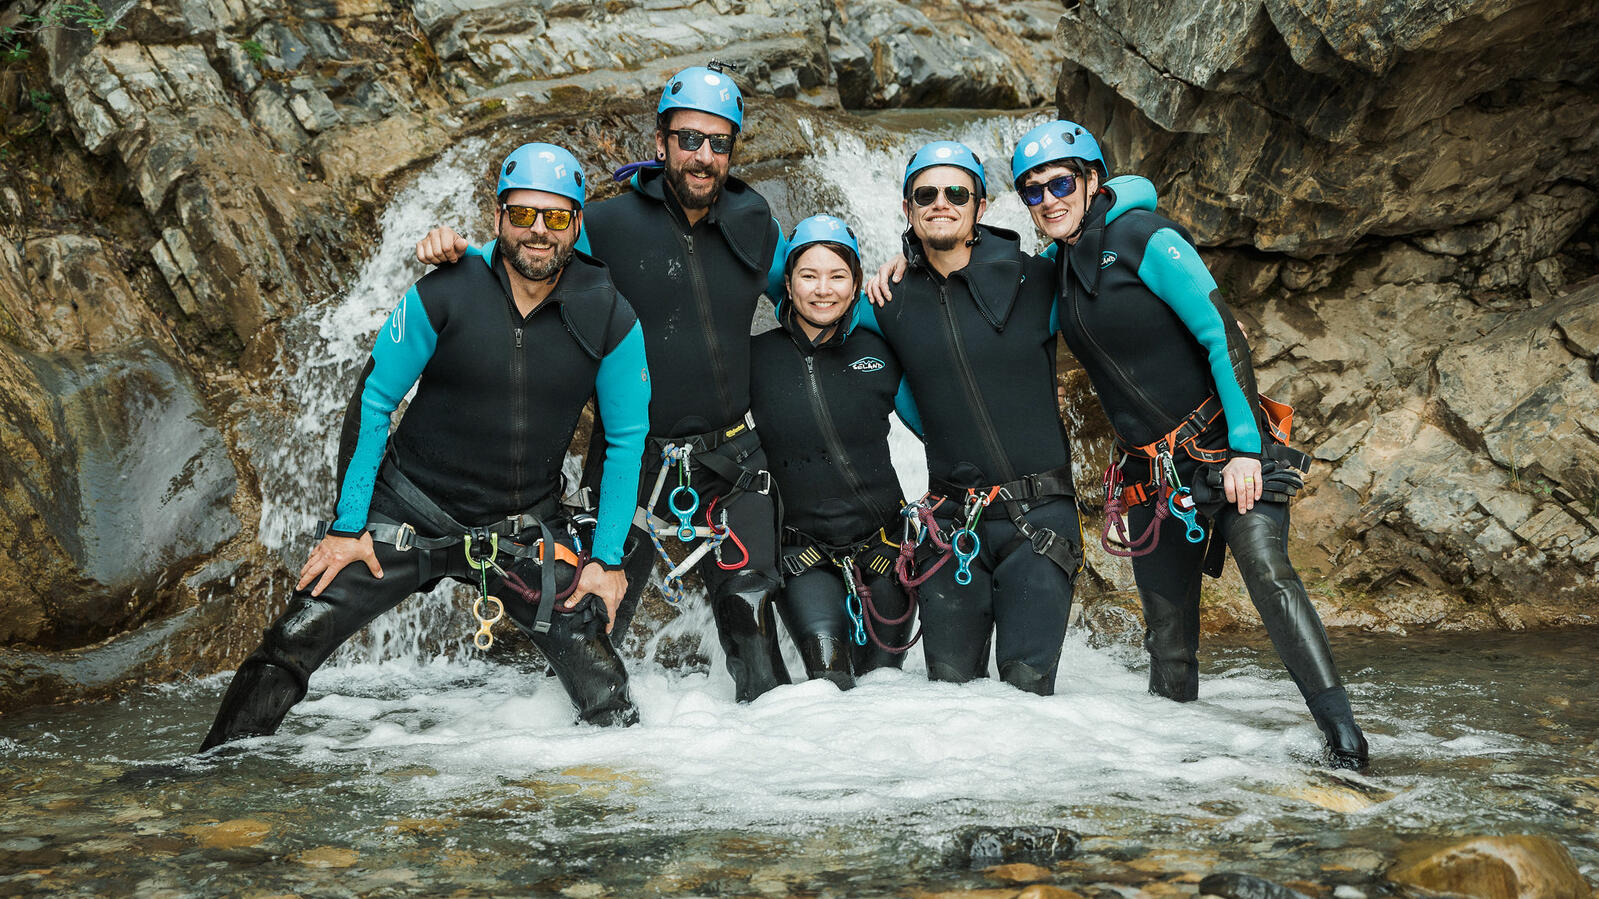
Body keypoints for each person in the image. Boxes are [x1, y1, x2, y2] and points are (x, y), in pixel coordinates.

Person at [200, 142, 651, 750]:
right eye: (522, 215)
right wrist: (347, 524)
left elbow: (626, 441)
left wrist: (607, 561)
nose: (537, 231)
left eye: (556, 217)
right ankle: (215, 776)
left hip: (519, 531)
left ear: (577, 224)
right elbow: (374, 400)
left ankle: (608, 811)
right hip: (406, 511)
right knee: (289, 644)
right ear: (497, 216)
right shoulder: (445, 291)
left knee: (605, 688)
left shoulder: (610, 317)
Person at [414, 63, 791, 702]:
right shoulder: (607, 225)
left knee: (752, 621)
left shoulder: (755, 222)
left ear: (733, 149)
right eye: (689, 139)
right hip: (631, 460)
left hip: (733, 458)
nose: (703, 156)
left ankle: (775, 777)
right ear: (661, 141)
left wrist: (874, 288)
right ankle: (596, 774)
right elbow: (529, 256)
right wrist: (459, 250)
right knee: (592, 622)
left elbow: (814, 300)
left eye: (718, 142)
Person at [1010, 119, 1368, 769]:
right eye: (1031, 192)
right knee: (1168, 637)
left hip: (1220, 449)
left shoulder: (1146, 237)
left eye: (1059, 182)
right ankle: (1180, 781)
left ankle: (1344, 739)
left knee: (1268, 575)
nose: (1048, 200)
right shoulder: (1054, 270)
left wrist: (1244, 449)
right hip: (1151, 476)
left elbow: (1219, 333)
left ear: (1091, 179)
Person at [855, 141, 1083, 695]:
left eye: (957, 193)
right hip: (951, 524)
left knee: (1027, 697)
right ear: (907, 208)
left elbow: (1115, 229)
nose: (941, 203)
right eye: (925, 194)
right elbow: (801, 286)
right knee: (952, 706)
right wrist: (939, 429)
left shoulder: (1039, 279)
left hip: (1039, 521)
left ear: (981, 206)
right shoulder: (886, 300)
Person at [751, 214, 919, 688]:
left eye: (837, 276)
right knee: (828, 684)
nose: (822, 289)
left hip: (887, 550)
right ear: (788, 283)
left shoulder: (882, 350)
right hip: (804, 556)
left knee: (885, 688)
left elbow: (936, 429)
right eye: (808, 275)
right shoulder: (754, 359)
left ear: (856, 284)